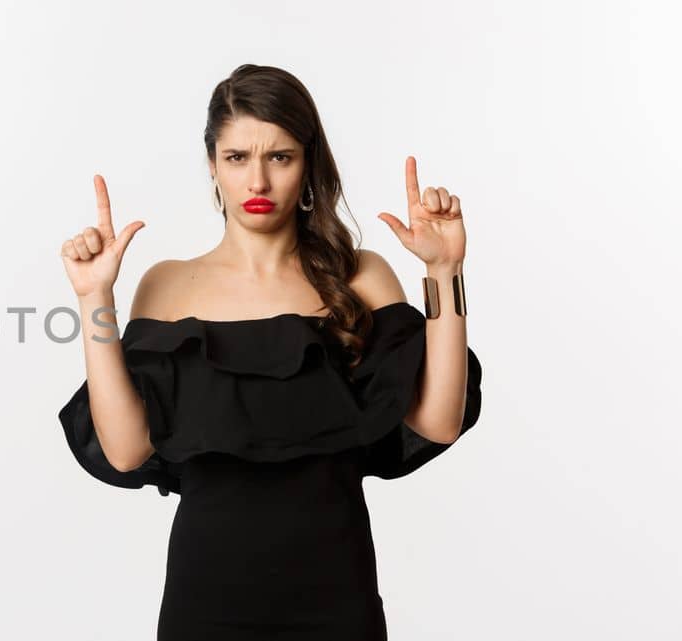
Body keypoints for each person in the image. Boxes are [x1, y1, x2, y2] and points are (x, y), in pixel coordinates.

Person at [56, 64, 484, 640]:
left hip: (337, 598)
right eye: (237, 158)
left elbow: (439, 420)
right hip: (205, 602)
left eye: (279, 157)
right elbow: (127, 450)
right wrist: (93, 299)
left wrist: (444, 269)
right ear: (213, 164)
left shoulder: (361, 278)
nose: (257, 181)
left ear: (308, 164)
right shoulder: (166, 285)